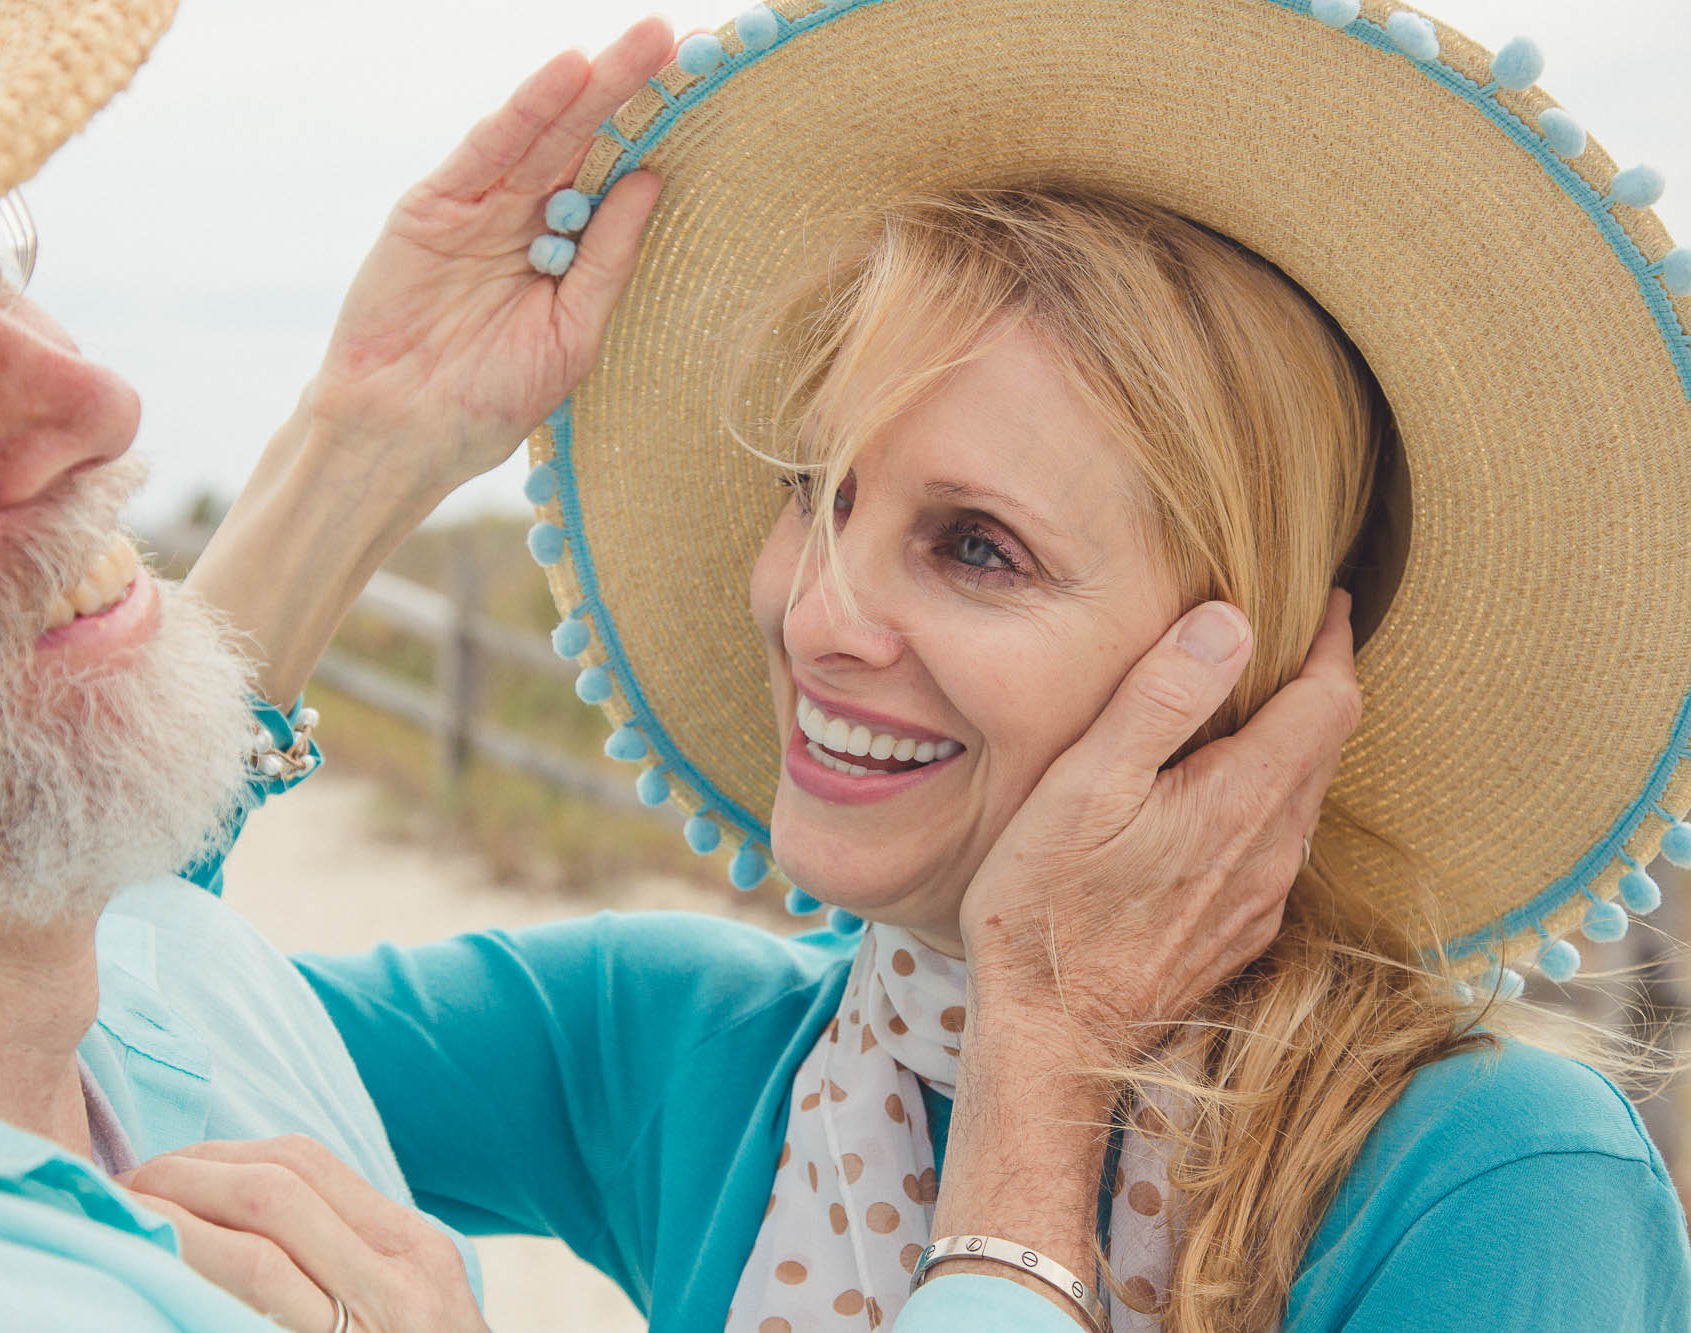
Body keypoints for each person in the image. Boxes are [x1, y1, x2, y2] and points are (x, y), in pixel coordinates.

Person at [0, 2, 1311, 1331]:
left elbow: (120, 881)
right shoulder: (684, 1047)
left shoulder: (1475, 1166)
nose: (102, 400)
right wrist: (1045, 1064)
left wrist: (365, 437)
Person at [232, 2, 1691, 1330]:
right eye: (817, 488)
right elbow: (84, 1036)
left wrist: (1043, 1071)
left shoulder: (1491, 1182)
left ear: (1244, 679)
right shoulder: (679, 1044)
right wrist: (357, 444)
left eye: (978, 546)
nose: (815, 616)